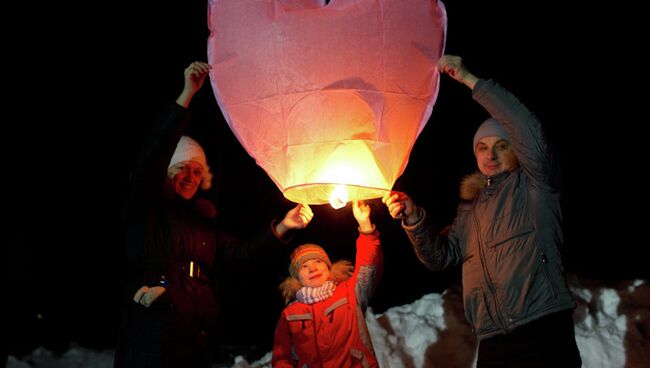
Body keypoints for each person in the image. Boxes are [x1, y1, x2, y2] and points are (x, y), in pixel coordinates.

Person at [383, 55, 581, 367]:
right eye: (482, 147)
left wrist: (471, 80)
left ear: (515, 149)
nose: (490, 154)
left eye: (501, 145)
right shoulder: (471, 208)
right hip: (492, 340)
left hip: (542, 329)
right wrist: (414, 219)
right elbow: (442, 257)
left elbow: (526, 128)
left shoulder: (536, 185)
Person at [113, 61, 314, 368]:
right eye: (182, 168)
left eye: (197, 171)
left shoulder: (202, 223)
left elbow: (240, 254)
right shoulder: (147, 207)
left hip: (197, 329)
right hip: (153, 327)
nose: (191, 177)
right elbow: (152, 156)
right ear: (167, 173)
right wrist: (187, 95)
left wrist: (284, 226)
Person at [272, 200, 382, 368]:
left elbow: (369, 267)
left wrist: (365, 225)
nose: (312, 268)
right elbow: (282, 357)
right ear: (297, 278)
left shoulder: (349, 293)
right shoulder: (289, 314)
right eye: (304, 266)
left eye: (318, 261)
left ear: (328, 267)